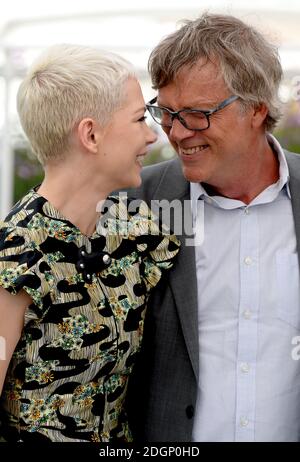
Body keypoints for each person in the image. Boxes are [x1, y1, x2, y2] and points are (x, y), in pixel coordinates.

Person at [126, 13, 300, 442]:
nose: (177, 133)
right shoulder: (136, 204)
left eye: (197, 114)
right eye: (166, 113)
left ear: (257, 108)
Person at [0, 44, 180, 442]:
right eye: (138, 119)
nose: (152, 135)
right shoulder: (16, 253)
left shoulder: (137, 229)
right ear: (91, 134)